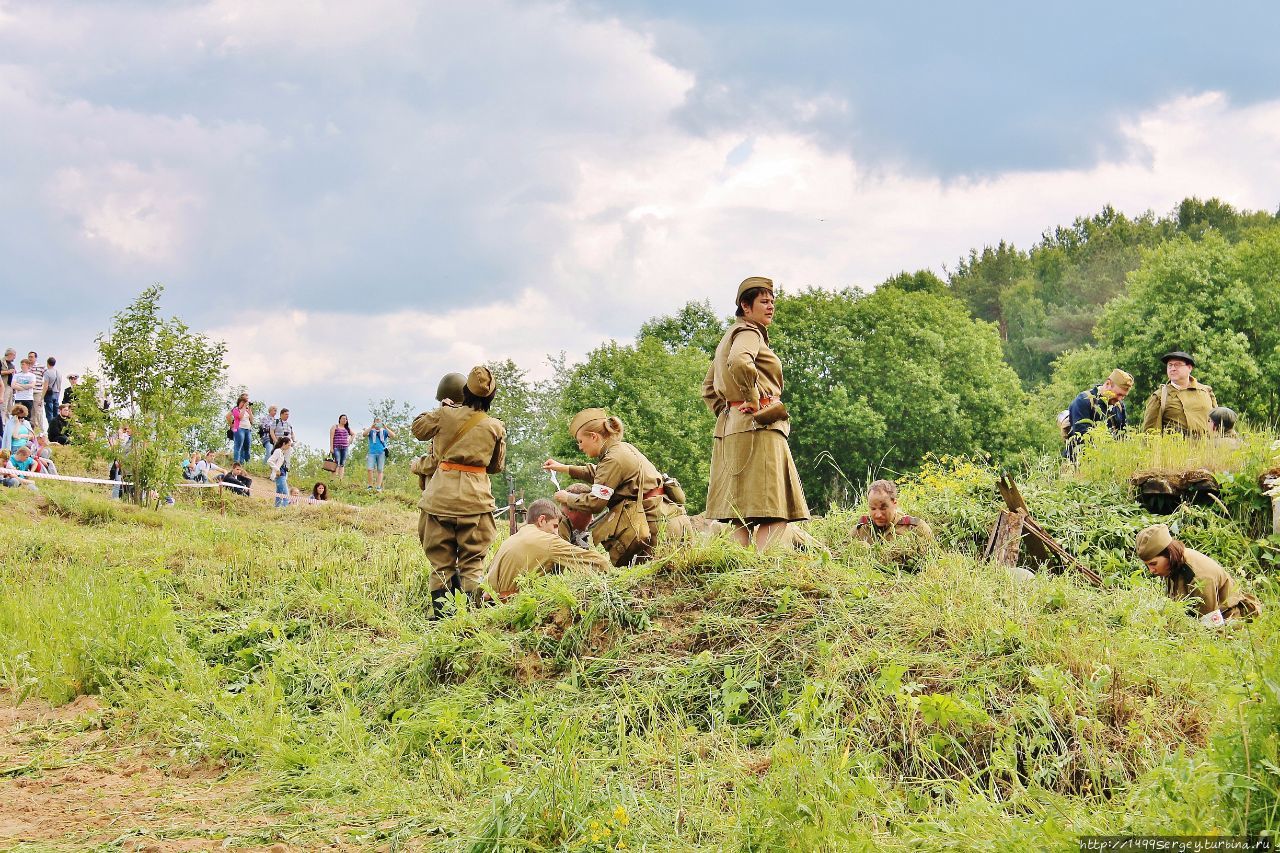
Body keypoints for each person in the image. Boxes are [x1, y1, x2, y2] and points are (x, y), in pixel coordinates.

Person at [702, 276, 809, 550]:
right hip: (761, 426)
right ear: (745, 307)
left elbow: (708, 388)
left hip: (734, 429)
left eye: (772, 301)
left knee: (743, 516)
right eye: (764, 301)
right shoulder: (749, 333)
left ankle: (743, 571)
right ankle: (762, 570)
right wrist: (752, 399)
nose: (771, 306)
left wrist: (730, 413)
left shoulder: (727, 337)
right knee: (776, 512)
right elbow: (740, 361)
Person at [411, 365, 506, 612]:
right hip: (476, 502)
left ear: (464, 392)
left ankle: (441, 621)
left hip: (439, 500)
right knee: (473, 564)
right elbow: (496, 466)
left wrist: (443, 409)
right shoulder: (495, 426)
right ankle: (470, 619)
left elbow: (418, 429)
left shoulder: (445, 414)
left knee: (440, 565)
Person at [544, 409, 690, 566]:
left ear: (594, 436)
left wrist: (567, 498)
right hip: (674, 521)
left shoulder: (612, 459)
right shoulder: (621, 449)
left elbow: (596, 503)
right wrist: (563, 467)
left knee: (654, 586)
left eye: (580, 441)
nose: (580, 447)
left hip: (659, 529)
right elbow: (600, 473)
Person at [483, 498, 610, 600]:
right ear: (542, 520)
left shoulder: (511, 539)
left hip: (487, 607)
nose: (556, 533)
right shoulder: (548, 541)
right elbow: (600, 563)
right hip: (513, 607)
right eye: (554, 526)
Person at [1136, 524, 1261, 621]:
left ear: (1169, 554)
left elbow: (1210, 626)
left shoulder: (1199, 576)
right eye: (1147, 565)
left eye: (1153, 564)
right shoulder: (1173, 563)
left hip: (1230, 620)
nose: (1151, 571)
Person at [410, 373, 468, 490]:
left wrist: (416, 465)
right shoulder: (482, 421)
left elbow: (418, 430)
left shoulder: (443, 417)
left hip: (441, 491)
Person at [1063, 369, 1133, 460]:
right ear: (1108, 384)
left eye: (1123, 396)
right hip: (1080, 463)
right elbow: (1081, 438)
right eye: (1119, 394)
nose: (1120, 399)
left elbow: (1123, 435)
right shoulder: (1084, 401)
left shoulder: (1119, 406)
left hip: (1108, 462)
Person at [1142, 351, 1217, 435]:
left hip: (1207, 446)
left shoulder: (1206, 391)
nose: (1173, 368)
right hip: (1176, 447)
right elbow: (1150, 433)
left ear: (1189, 368)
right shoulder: (1159, 397)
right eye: (1170, 365)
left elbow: (1221, 424)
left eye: (1177, 365)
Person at [853, 480, 935, 544]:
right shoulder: (861, 528)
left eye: (883, 508)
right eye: (873, 509)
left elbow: (931, 561)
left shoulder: (916, 528)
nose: (878, 515)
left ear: (894, 503)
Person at [364, 417, 395, 491]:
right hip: (372, 452)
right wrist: (371, 427)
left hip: (381, 452)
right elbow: (364, 434)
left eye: (379, 421)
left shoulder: (384, 431)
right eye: (376, 421)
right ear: (374, 422)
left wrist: (385, 427)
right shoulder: (371, 431)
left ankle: (378, 487)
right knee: (369, 469)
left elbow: (393, 435)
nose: (378, 423)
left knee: (380, 470)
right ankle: (370, 486)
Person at [227, 394, 254, 464]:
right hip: (239, 428)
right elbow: (240, 417)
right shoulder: (236, 409)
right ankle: (236, 462)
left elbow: (252, 421)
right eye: (244, 402)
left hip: (247, 429)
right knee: (238, 446)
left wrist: (250, 411)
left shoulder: (247, 410)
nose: (246, 403)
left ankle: (246, 463)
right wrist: (231, 425)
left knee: (247, 447)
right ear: (240, 402)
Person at [268, 436, 293, 508]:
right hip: (280, 474)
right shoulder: (278, 451)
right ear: (284, 444)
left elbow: (291, 450)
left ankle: (276, 508)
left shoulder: (282, 452)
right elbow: (269, 461)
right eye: (288, 445)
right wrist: (277, 469)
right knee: (286, 495)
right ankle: (284, 510)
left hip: (283, 474)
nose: (289, 447)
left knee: (279, 494)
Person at [11, 359, 36, 424]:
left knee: (27, 416)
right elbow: (13, 385)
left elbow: (32, 385)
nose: (22, 366)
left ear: (28, 365)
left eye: (23, 364)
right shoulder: (17, 375)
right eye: (21, 364)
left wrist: (19, 385)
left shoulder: (32, 375)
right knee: (17, 415)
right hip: (19, 398)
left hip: (28, 398)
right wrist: (25, 387)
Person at [329, 414, 353, 479]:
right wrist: (331, 448)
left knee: (342, 464)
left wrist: (350, 441)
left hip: (345, 448)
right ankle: (333, 479)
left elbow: (353, 434)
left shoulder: (347, 428)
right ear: (340, 419)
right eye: (343, 418)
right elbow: (331, 437)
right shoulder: (335, 426)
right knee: (336, 463)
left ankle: (340, 480)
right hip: (336, 447)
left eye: (346, 419)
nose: (344, 420)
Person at [28, 352, 46, 432]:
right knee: (31, 413)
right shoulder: (27, 367)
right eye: (29, 357)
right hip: (28, 392)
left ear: (35, 358)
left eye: (31, 357)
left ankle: (42, 431)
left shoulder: (41, 367)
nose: (30, 358)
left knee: (38, 412)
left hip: (38, 392)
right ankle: (33, 432)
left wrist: (44, 384)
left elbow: (47, 376)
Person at [41, 357, 61, 428]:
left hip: (49, 394)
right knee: (56, 414)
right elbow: (59, 386)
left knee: (49, 413)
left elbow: (45, 386)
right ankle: (57, 428)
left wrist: (41, 397)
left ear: (47, 363)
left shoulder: (47, 372)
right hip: (56, 393)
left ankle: (52, 429)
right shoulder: (58, 372)